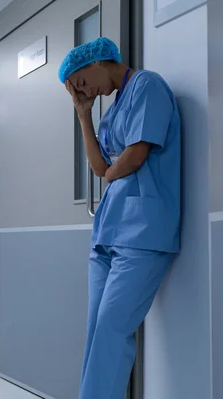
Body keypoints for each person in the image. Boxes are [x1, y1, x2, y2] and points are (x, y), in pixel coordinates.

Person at [58, 37, 181, 398]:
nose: (84, 90)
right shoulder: (110, 111)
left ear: (98, 60)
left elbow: (134, 157)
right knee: (97, 330)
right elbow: (100, 166)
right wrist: (83, 113)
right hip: (107, 234)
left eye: (82, 81)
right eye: (76, 90)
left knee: (113, 328)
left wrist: (113, 173)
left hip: (143, 233)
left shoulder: (147, 85)